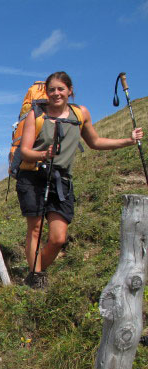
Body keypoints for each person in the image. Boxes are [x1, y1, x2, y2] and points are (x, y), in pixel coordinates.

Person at [17, 71, 143, 289]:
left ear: (70, 90)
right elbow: (25, 151)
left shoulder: (80, 113)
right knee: (35, 229)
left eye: (61, 89)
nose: (56, 93)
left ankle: (34, 274)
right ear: (46, 92)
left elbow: (94, 142)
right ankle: (37, 281)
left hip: (61, 179)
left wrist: (128, 141)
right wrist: (43, 155)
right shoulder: (36, 115)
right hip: (34, 175)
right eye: (52, 89)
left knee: (58, 238)